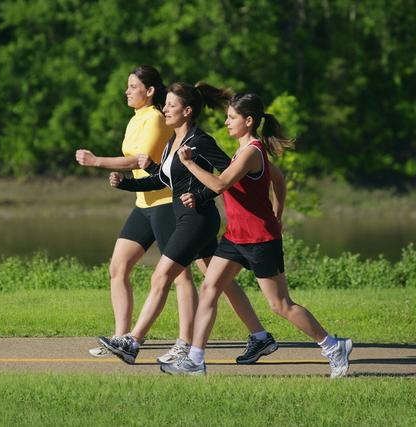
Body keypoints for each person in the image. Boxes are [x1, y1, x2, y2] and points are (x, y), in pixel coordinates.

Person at [161, 92, 353, 378]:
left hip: (260, 239)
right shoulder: (242, 151)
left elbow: (221, 183)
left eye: (232, 118)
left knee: (280, 305)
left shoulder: (251, 151)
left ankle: (333, 346)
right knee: (209, 288)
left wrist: (189, 163)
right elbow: (278, 179)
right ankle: (196, 360)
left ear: (248, 121)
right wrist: (278, 210)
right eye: (227, 116)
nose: (226, 122)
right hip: (235, 237)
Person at [98, 82, 281, 365]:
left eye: (171, 105)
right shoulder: (174, 140)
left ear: (187, 111)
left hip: (197, 220)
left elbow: (227, 176)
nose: (165, 109)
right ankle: (260, 336)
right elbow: (164, 179)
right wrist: (125, 184)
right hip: (189, 217)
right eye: (165, 104)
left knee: (161, 276)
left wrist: (201, 194)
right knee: (220, 281)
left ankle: (132, 342)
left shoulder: (200, 141)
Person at [76, 65, 202, 362]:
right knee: (118, 268)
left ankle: (186, 342)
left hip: (164, 204)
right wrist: (125, 181)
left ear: (150, 91)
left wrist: (97, 161)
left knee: (180, 275)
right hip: (143, 205)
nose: (127, 91)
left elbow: (137, 159)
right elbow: (135, 162)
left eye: (133, 86)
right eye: (128, 86)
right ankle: (121, 337)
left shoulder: (157, 119)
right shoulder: (136, 120)